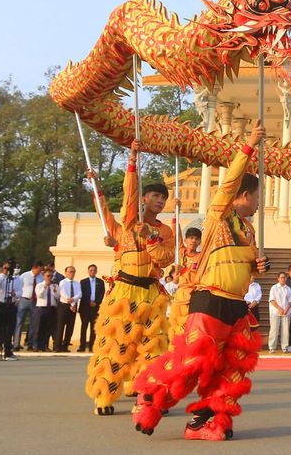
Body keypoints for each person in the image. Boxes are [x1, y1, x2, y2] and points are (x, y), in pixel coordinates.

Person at [132, 120, 270, 441]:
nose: (261, 202)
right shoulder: (219, 216)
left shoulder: (248, 231)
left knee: (231, 369)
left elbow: (244, 270)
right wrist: (248, 145)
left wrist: (256, 266)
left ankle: (205, 422)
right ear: (243, 195)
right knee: (193, 364)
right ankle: (151, 398)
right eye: (259, 195)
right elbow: (228, 183)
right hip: (209, 300)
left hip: (236, 306)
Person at [84, 140, 174, 415]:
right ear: (145, 199)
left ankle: (148, 394)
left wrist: (151, 239)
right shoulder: (128, 224)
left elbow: (165, 259)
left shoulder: (166, 231)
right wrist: (131, 159)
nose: (159, 201)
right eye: (155, 197)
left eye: (164, 199)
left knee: (152, 347)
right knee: (116, 345)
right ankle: (103, 397)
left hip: (150, 294)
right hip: (124, 292)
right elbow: (125, 197)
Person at [168, 227, 202, 341]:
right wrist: (175, 214)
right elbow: (176, 235)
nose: (193, 241)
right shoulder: (181, 253)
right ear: (186, 240)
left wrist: (184, 271)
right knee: (175, 326)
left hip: (193, 295)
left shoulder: (201, 257)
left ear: (199, 242)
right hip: (179, 295)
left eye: (197, 239)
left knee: (190, 327)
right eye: (191, 238)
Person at [12, 261, 42, 351]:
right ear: (35, 267)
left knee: (33, 323)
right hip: (24, 300)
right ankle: (16, 343)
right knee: (19, 321)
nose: (40, 271)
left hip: (35, 301)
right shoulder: (25, 276)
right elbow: (18, 287)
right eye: (39, 269)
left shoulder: (41, 277)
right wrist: (17, 299)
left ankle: (30, 343)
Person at [0, 262, 18, 360]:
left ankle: (8, 352)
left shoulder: (11, 279)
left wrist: (15, 295)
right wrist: (2, 274)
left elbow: (17, 290)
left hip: (9, 305)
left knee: (8, 329)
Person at [78, 264, 105, 352]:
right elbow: (82, 294)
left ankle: (91, 346)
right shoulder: (83, 282)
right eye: (91, 270)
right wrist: (88, 302)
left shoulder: (100, 282)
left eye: (94, 270)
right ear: (88, 271)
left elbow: (102, 293)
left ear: (96, 271)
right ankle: (82, 346)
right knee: (84, 327)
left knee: (93, 328)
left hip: (95, 308)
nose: (92, 272)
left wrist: (96, 302)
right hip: (85, 308)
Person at [54, 266, 81, 352]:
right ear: (66, 273)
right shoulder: (62, 282)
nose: (72, 273)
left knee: (70, 327)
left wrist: (73, 303)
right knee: (60, 327)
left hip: (73, 306)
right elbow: (63, 293)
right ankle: (57, 346)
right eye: (70, 272)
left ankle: (65, 346)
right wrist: (71, 302)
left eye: (73, 272)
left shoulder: (77, 283)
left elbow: (79, 294)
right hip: (64, 306)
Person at [33, 271, 58, 351]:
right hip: (41, 308)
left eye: (51, 276)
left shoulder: (54, 285)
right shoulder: (39, 285)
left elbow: (58, 297)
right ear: (44, 276)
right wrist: (45, 286)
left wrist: (55, 291)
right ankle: (36, 345)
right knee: (38, 327)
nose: (49, 277)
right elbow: (39, 295)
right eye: (48, 276)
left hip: (51, 308)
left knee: (48, 328)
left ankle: (45, 345)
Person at [268, 272, 291, 353]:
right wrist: (279, 308)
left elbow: (290, 301)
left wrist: (286, 309)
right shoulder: (274, 288)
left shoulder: (288, 288)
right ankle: (272, 347)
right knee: (274, 329)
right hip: (275, 312)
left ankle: (284, 347)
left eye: (284, 277)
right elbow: (272, 300)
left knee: (285, 330)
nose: (283, 279)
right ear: (278, 279)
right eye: (281, 277)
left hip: (286, 312)